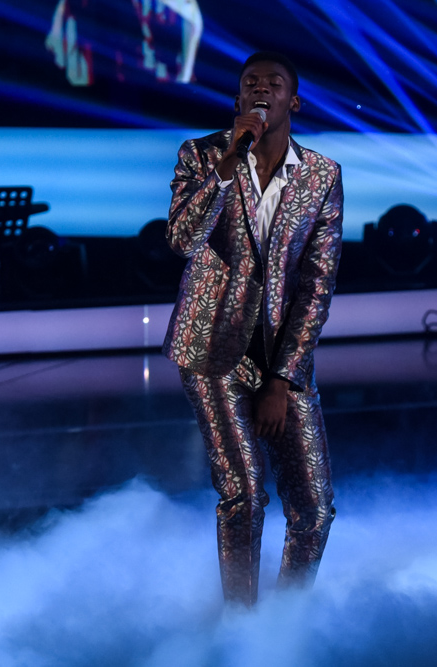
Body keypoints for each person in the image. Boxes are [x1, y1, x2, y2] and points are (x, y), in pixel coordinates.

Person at [163, 51, 343, 605]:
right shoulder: (202, 155)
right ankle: (240, 626)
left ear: (295, 100)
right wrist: (225, 168)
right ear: (239, 99)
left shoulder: (322, 175)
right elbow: (182, 240)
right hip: (212, 346)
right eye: (250, 82)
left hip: (282, 354)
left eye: (274, 83)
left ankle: (287, 620)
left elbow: (317, 283)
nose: (261, 89)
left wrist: (282, 380)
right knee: (243, 494)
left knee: (314, 507)